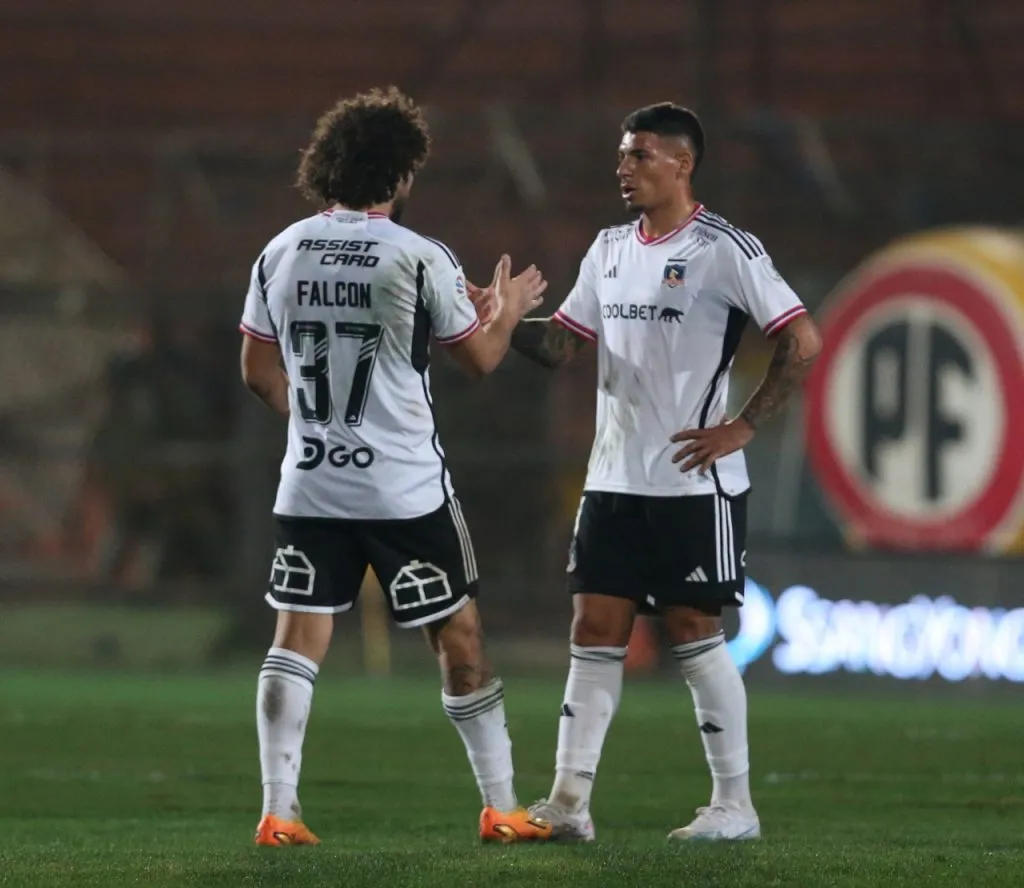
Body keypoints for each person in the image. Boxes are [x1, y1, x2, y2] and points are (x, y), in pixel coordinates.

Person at [238, 87, 552, 846]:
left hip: (312, 485)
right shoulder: (417, 256)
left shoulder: (281, 249)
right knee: (460, 641)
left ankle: (279, 811)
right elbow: (478, 358)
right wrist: (505, 309)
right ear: (402, 173)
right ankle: (502, 808)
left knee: (296, 641)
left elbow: (256, 370)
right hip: (404, 492)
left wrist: (316, 423)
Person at [508, 102, 823, 841]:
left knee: (692, 628)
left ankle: (734, 805)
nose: (625, 167)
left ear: (683, 164)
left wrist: (741, 426)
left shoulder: (724, 249)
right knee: (593, 627)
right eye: (622, 155)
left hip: (691, 480)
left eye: (641, 155)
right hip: (614, 478)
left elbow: (801, 339)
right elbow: (561, 346)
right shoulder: (609, 247)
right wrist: (490, 320)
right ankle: (569, 804)